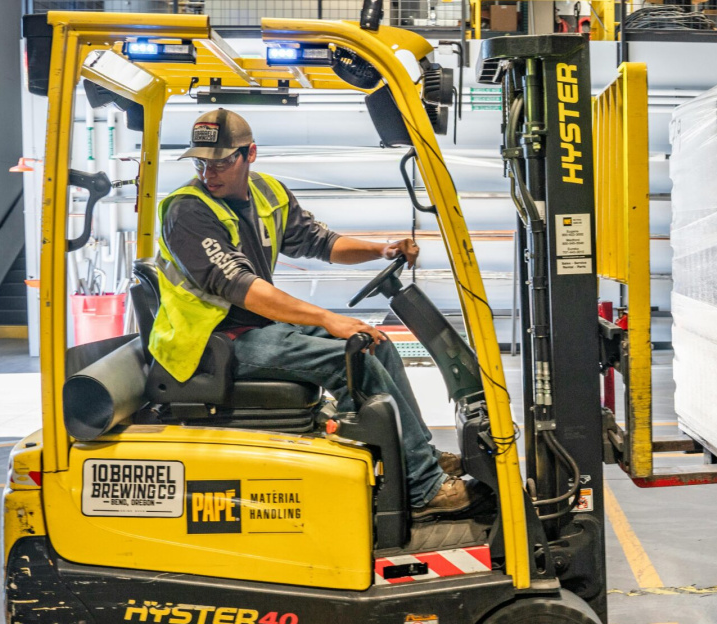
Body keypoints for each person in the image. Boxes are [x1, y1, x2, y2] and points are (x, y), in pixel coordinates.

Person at [151, 108, 479, 518]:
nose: (209, 172)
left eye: (221, 161)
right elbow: (244, 289)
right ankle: (423, 488)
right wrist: (327, 318)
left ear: (249, 154)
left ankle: (420, 456)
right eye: (201, 162)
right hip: (211, 344)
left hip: (254, 328)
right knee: (349, 360)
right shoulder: (187, 211)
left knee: (377, 345)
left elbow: (320, 242)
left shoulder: (268, 192)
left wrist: (381, 249)